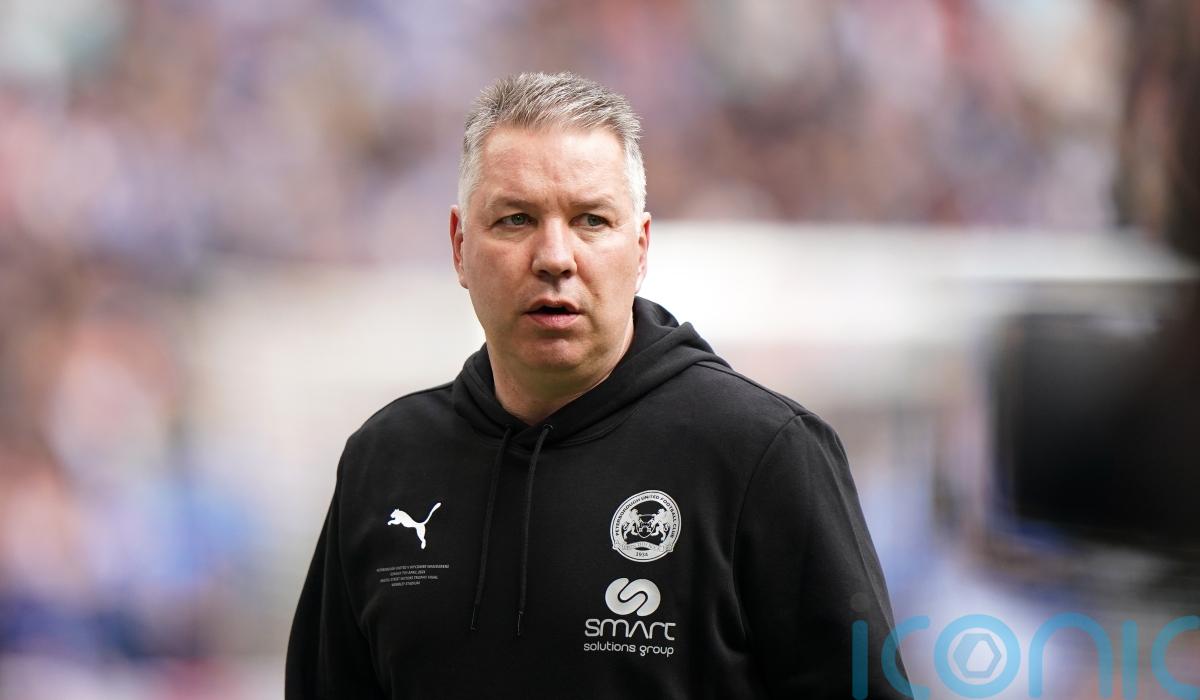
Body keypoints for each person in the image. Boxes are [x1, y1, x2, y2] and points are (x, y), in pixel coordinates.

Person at [286, 72, 907, 698]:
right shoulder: (385, 460)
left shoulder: (764, 454)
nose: (555, 257)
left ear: (640, 248)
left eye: (590, 220)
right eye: (516, 219)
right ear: (459, 246)